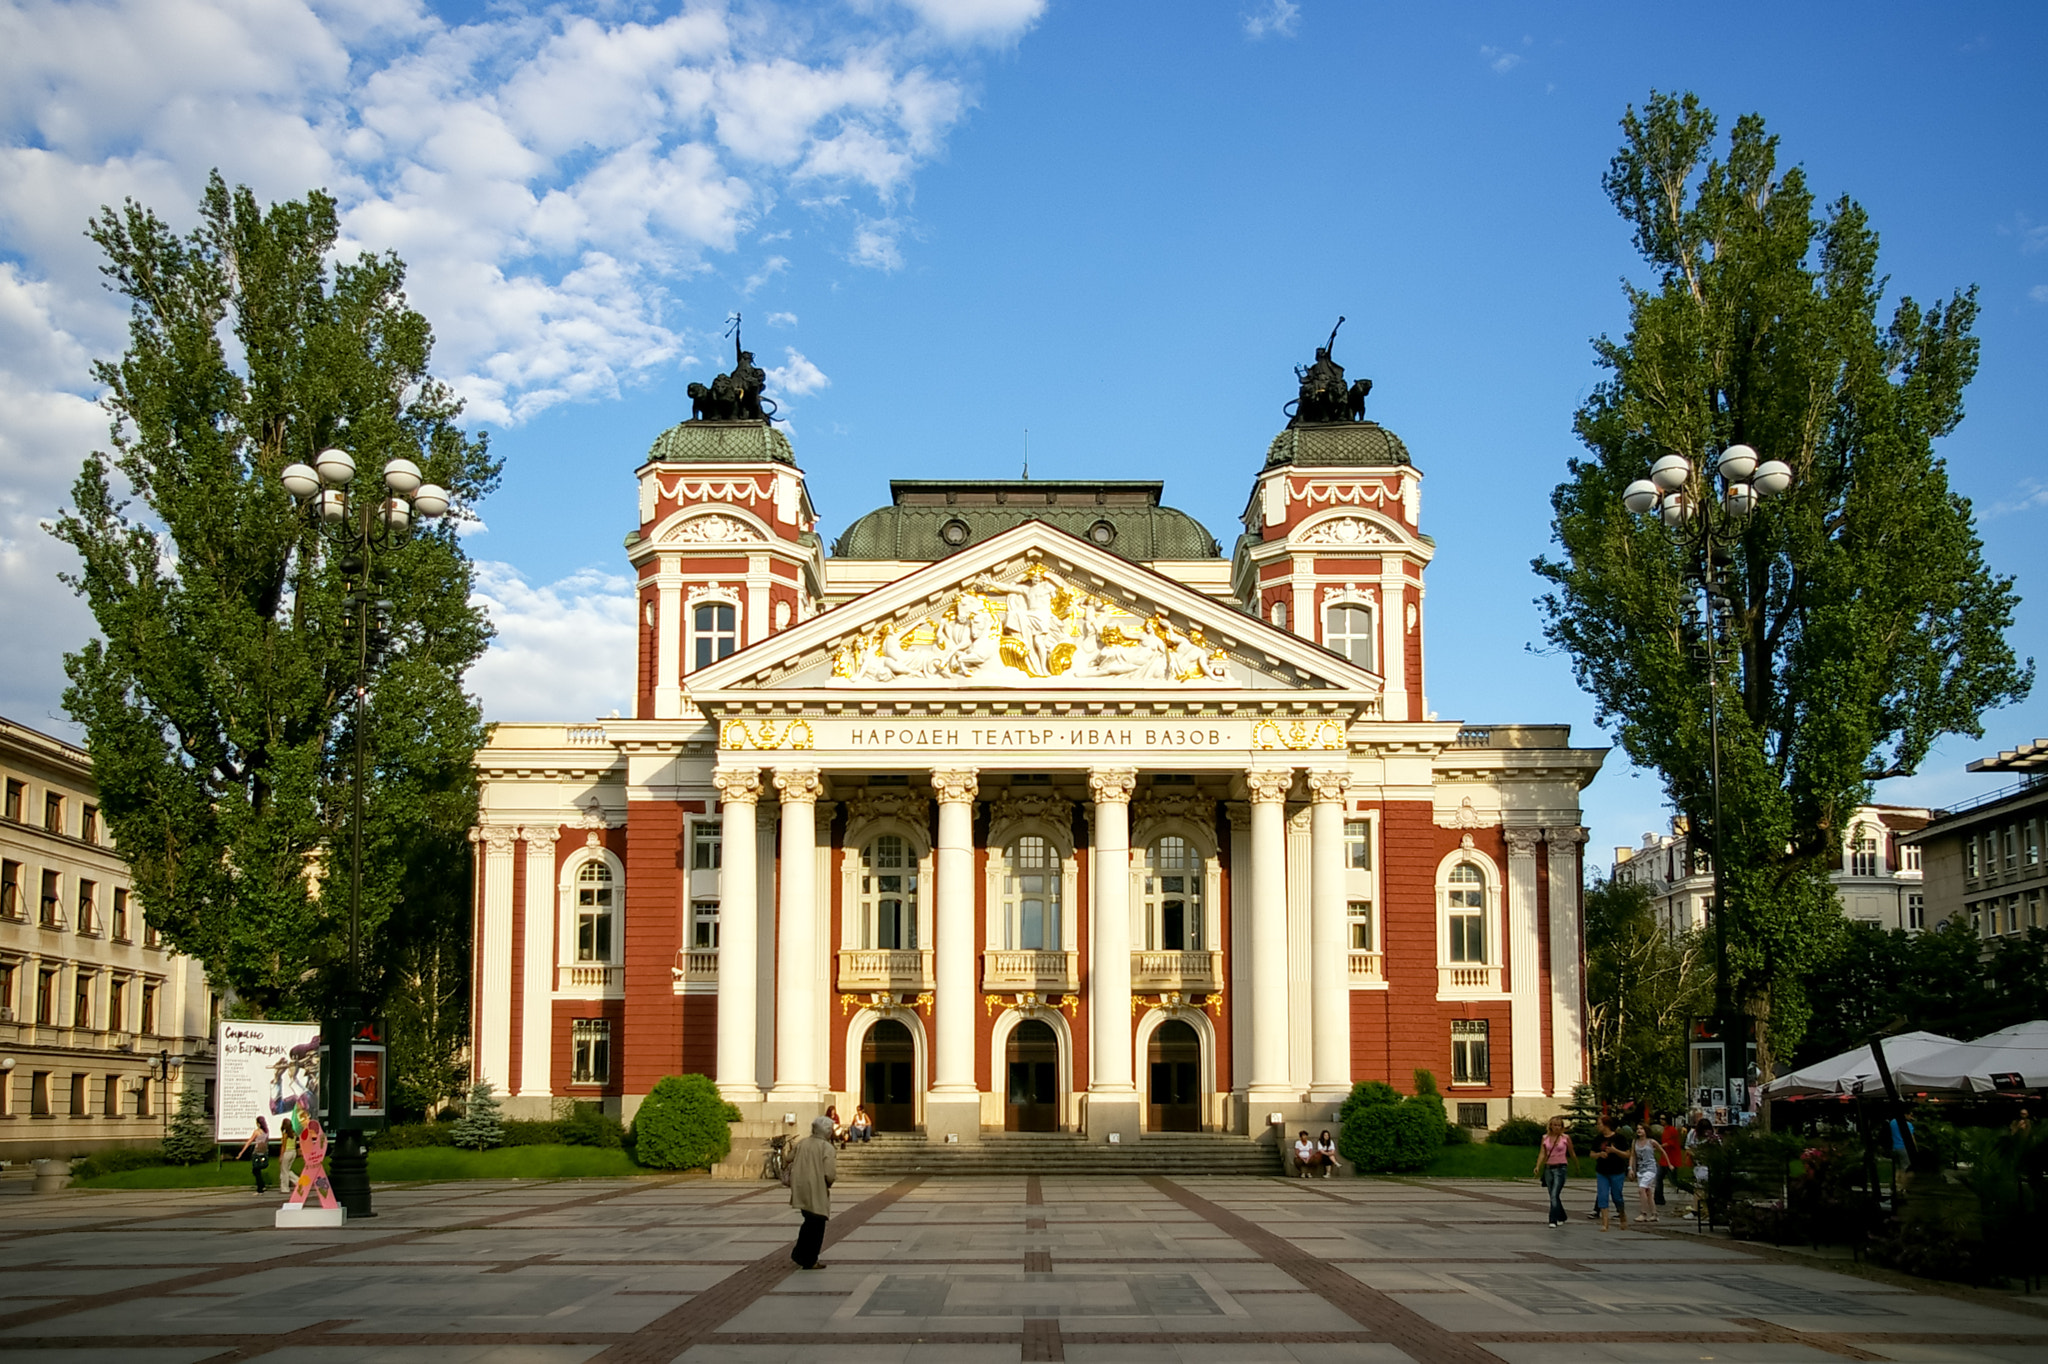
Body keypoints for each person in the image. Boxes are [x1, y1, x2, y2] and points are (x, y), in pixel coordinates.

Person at [787, 1115, 839, 1270]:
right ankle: (809, 1259)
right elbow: (829, 1173)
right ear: (827, 1131)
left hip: (801, 1186)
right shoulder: (827, 1147)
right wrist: (829, 1183)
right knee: (817, 1225)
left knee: (808, 1221)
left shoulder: (802, 1143)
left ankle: (800, 1254)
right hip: (817, 1188)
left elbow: (788, 1158)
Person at [1534, 1115, 1573, 1227]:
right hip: (1548, 1168)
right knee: (1552, 1194)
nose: (1556, 1127)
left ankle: (1553, 1219)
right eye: (1554, 1125)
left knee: (1555, 1194)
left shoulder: (1565, 1138)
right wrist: (1538, 1166)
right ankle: (1562, 1216)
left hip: (1561, 1168)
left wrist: (1576, 1165)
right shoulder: (1545, 1137)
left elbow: (1571, 1152)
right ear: (1550, 1126)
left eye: (1559, 1125)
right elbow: (1542, 1153)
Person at [1594, 1122, 1631, 1231]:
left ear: (1606, 1125)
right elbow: (1591, 1153)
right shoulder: (1598, 1138)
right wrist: (1599, 1154)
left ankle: (1622, 1215)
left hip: (1617, 1171)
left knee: (1617, 1196)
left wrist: (1615, 1151)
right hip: (1602, 1172)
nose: (1597, 1126)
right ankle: (1605, 1223)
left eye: (1599, 1124)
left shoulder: (1619, 1138)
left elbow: (1627, 1154)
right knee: (1602, 1196)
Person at [1684, 1115, 1718, 1221]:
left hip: (1709, 1165)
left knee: (1705, 1189)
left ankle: (1706, 1211)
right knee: (1699, 1188)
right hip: (1699, 1165)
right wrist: (1695, 1155)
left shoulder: (1712, 1137)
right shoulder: (1693, 1134)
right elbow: (1687, 1147)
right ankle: (1696, 1210)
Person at [233, 1116, 271, 1195]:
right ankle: (262, 1185)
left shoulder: (257, 1132)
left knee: (256, 1170)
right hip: (264, 1153)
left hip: (257, 1153)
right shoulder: (266, 1132)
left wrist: (241, 1152)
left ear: (258, 1123)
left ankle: (260, 1190)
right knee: (257, 1171)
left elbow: (249, 1141)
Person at [1633, 1126, 1662, 1223]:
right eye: (1638, 1128)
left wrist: (1669, 1164)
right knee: (1648, 1192)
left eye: (1641, 1128)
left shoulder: (1651, 1142)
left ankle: (1643, 1213)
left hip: (1650, 1169)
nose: (1639, 1130)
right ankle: (1654, 1214)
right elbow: (1633, 1156)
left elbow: (1662, 1151)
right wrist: (1631, 1168)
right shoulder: (1635, 1142)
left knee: (1641, 1189)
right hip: (1641, 1170)